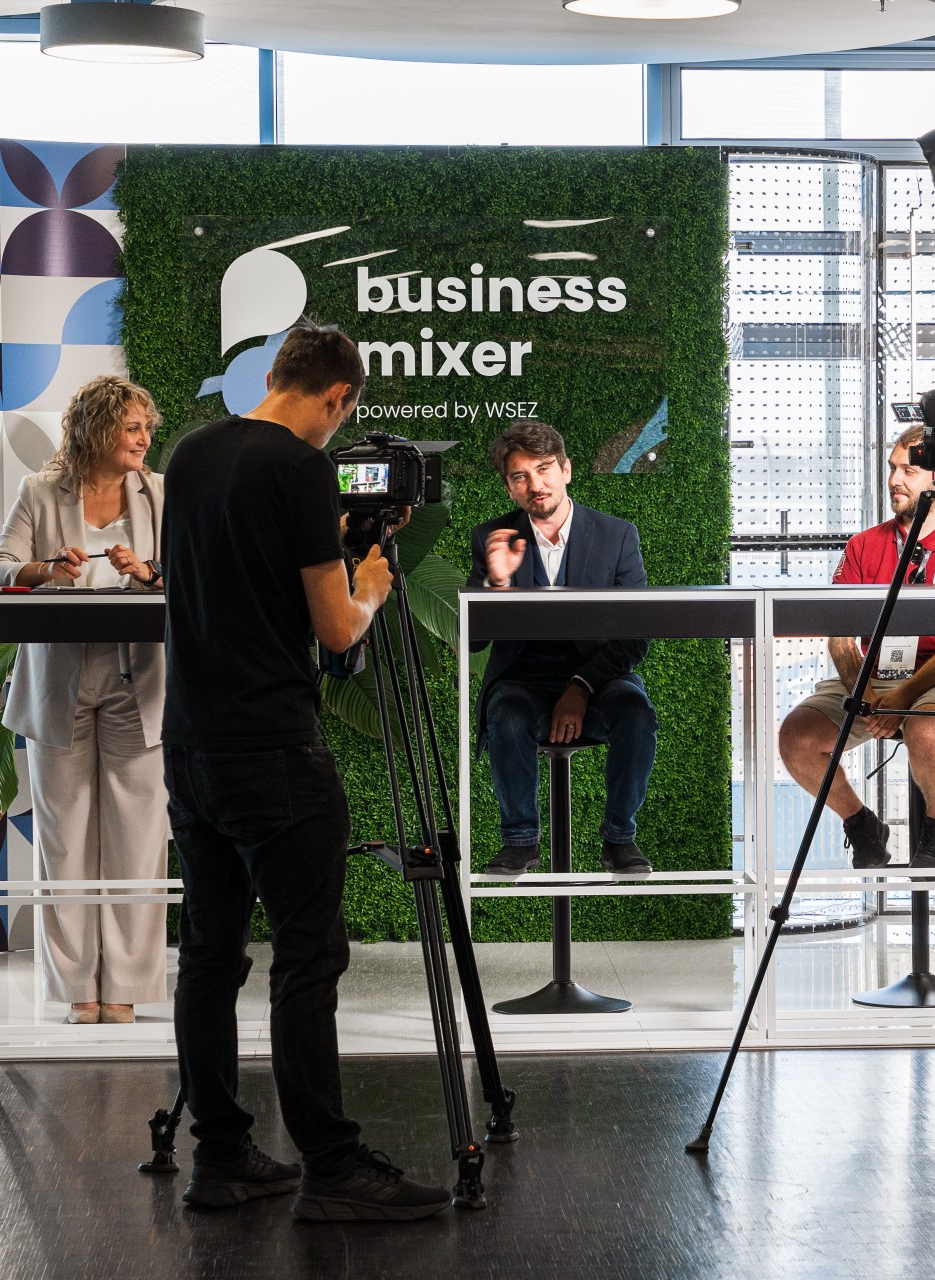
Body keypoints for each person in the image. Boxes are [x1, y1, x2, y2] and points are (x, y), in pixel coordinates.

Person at [161, 322, 449, 1220]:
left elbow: (240, 574)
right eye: (342, 419)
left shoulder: (191, 453)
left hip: (191, 745)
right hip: (274, 750)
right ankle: (331, 1166)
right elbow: (335, 629)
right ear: (337, 398)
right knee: (307, 957)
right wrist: (369, 581)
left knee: (209, 953)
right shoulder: (299, 467)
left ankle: (223, 1157)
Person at [0, 375, 168, 1027]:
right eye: (133, 428)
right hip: (56, 677)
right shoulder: (39, 492)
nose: (146, 439)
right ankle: (78, 990)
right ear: (97, 430)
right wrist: (43, 570)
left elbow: (187, 573)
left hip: (137, 681)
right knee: (66, 839)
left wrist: (147, 573)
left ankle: (127, 988)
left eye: (148, 428)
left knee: (138, 838)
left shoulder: (160, 493)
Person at [777, 425, 935, 874]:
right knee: (797, 738)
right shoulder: (865, 545)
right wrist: (860, 692)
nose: (894, 480)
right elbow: (840, 634)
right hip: (874, 677)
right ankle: (862, 824)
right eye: (892, 469)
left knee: (926, 731)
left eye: (909, 470)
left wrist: (902, 700)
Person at [470, 420, 658, 876]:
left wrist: (581, 685)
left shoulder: (617, 535)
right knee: (507, 714)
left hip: (601, 679)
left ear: (567, 470)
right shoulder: (492, 538)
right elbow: (474, 638)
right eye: (520, 477)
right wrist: (497, 584)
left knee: (635, 714)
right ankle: (519, 842)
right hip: (522, 680)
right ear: (510, 489)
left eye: (545, 468)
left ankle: (619, 838)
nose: (536, 484)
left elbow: (636, 634)